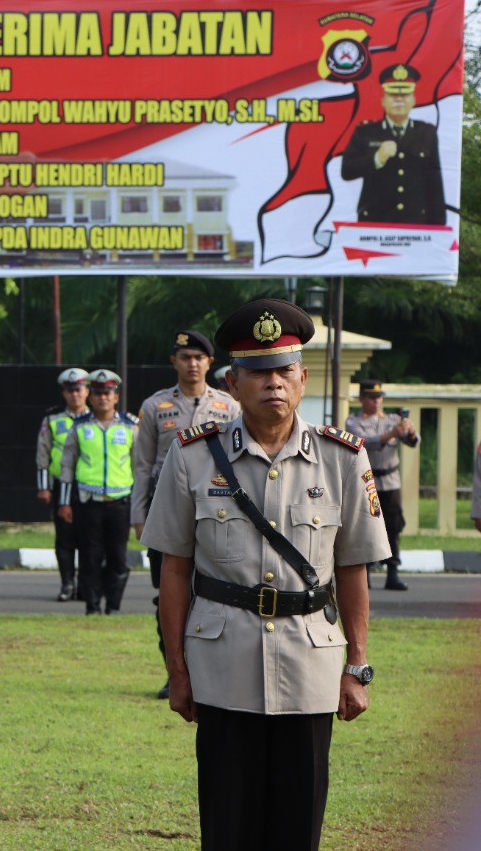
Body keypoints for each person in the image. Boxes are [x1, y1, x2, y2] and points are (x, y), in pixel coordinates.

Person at [143, 297, 388, 851]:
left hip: (310, 668)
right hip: (222, 667)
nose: (272, 384)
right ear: (233, 382)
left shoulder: (343, 459)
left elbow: (353, 570)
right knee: (228, 826)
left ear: (302, 378)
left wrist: (359, 665)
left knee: (298, 827)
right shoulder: (192, 458)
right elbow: (174, 572)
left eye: (283, 371)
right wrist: (177, 670)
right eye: (257, 372)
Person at [132, 331, 239, 698]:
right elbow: (142, 466)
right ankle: (174, 671)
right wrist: (139, 516)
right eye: (185, 356)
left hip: (217, 514)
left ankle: (211, 673)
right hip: (166, 515)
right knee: (169, 596)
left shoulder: (230, 406)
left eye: (199, 357)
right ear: (173, 362)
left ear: (210, 362)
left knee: (216, 594)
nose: (192, 363)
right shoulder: (154, 406)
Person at [58, 369, 136, 615]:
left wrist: (140, 505)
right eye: (99, 393)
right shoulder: (79, 427)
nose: (103, 398)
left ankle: (112, 607)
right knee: (90, 557)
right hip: (87, 503)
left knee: (118, 558)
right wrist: (64, 502)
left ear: (116, 397)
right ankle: (92, 607)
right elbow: (67, 465)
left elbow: (139, 466)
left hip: (120, 503)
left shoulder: (130, 426)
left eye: (108, 393)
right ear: (91, 396)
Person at [340, 63, 446, 225]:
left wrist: (439, 228)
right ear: (383, 100)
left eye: (404, 94)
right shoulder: (366, 132)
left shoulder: (426, 133)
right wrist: (376, 159)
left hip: (416, 224)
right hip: (375, 222)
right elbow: (347, 171)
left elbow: (435, 182)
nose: (398, 99)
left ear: (413, 100)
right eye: (392, 94)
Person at [345, 380, 417, 591]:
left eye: (378, 397)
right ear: (362, 399)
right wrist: (392, 434)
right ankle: (364, 573)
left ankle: (392, 572)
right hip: (367, 481)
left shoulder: (393, 419)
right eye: (370, 397)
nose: (376, 401)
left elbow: (412, 442)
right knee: (365, 526)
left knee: (393, 527)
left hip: (390, 481)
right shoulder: (354, 422)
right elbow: (363, 443)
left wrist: (410, 432)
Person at [36, 367, 90, 602]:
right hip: (61, 486)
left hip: (90, 485)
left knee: (90, 538)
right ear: (64, 393)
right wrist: (44, 487)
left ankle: (87, 586)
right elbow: (43, 453)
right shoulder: (53, 418)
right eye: (70, 390)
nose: (75, 394)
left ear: (87, 391)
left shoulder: (96, 417)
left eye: (79, 389)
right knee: (65, 538)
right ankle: (67, 583)